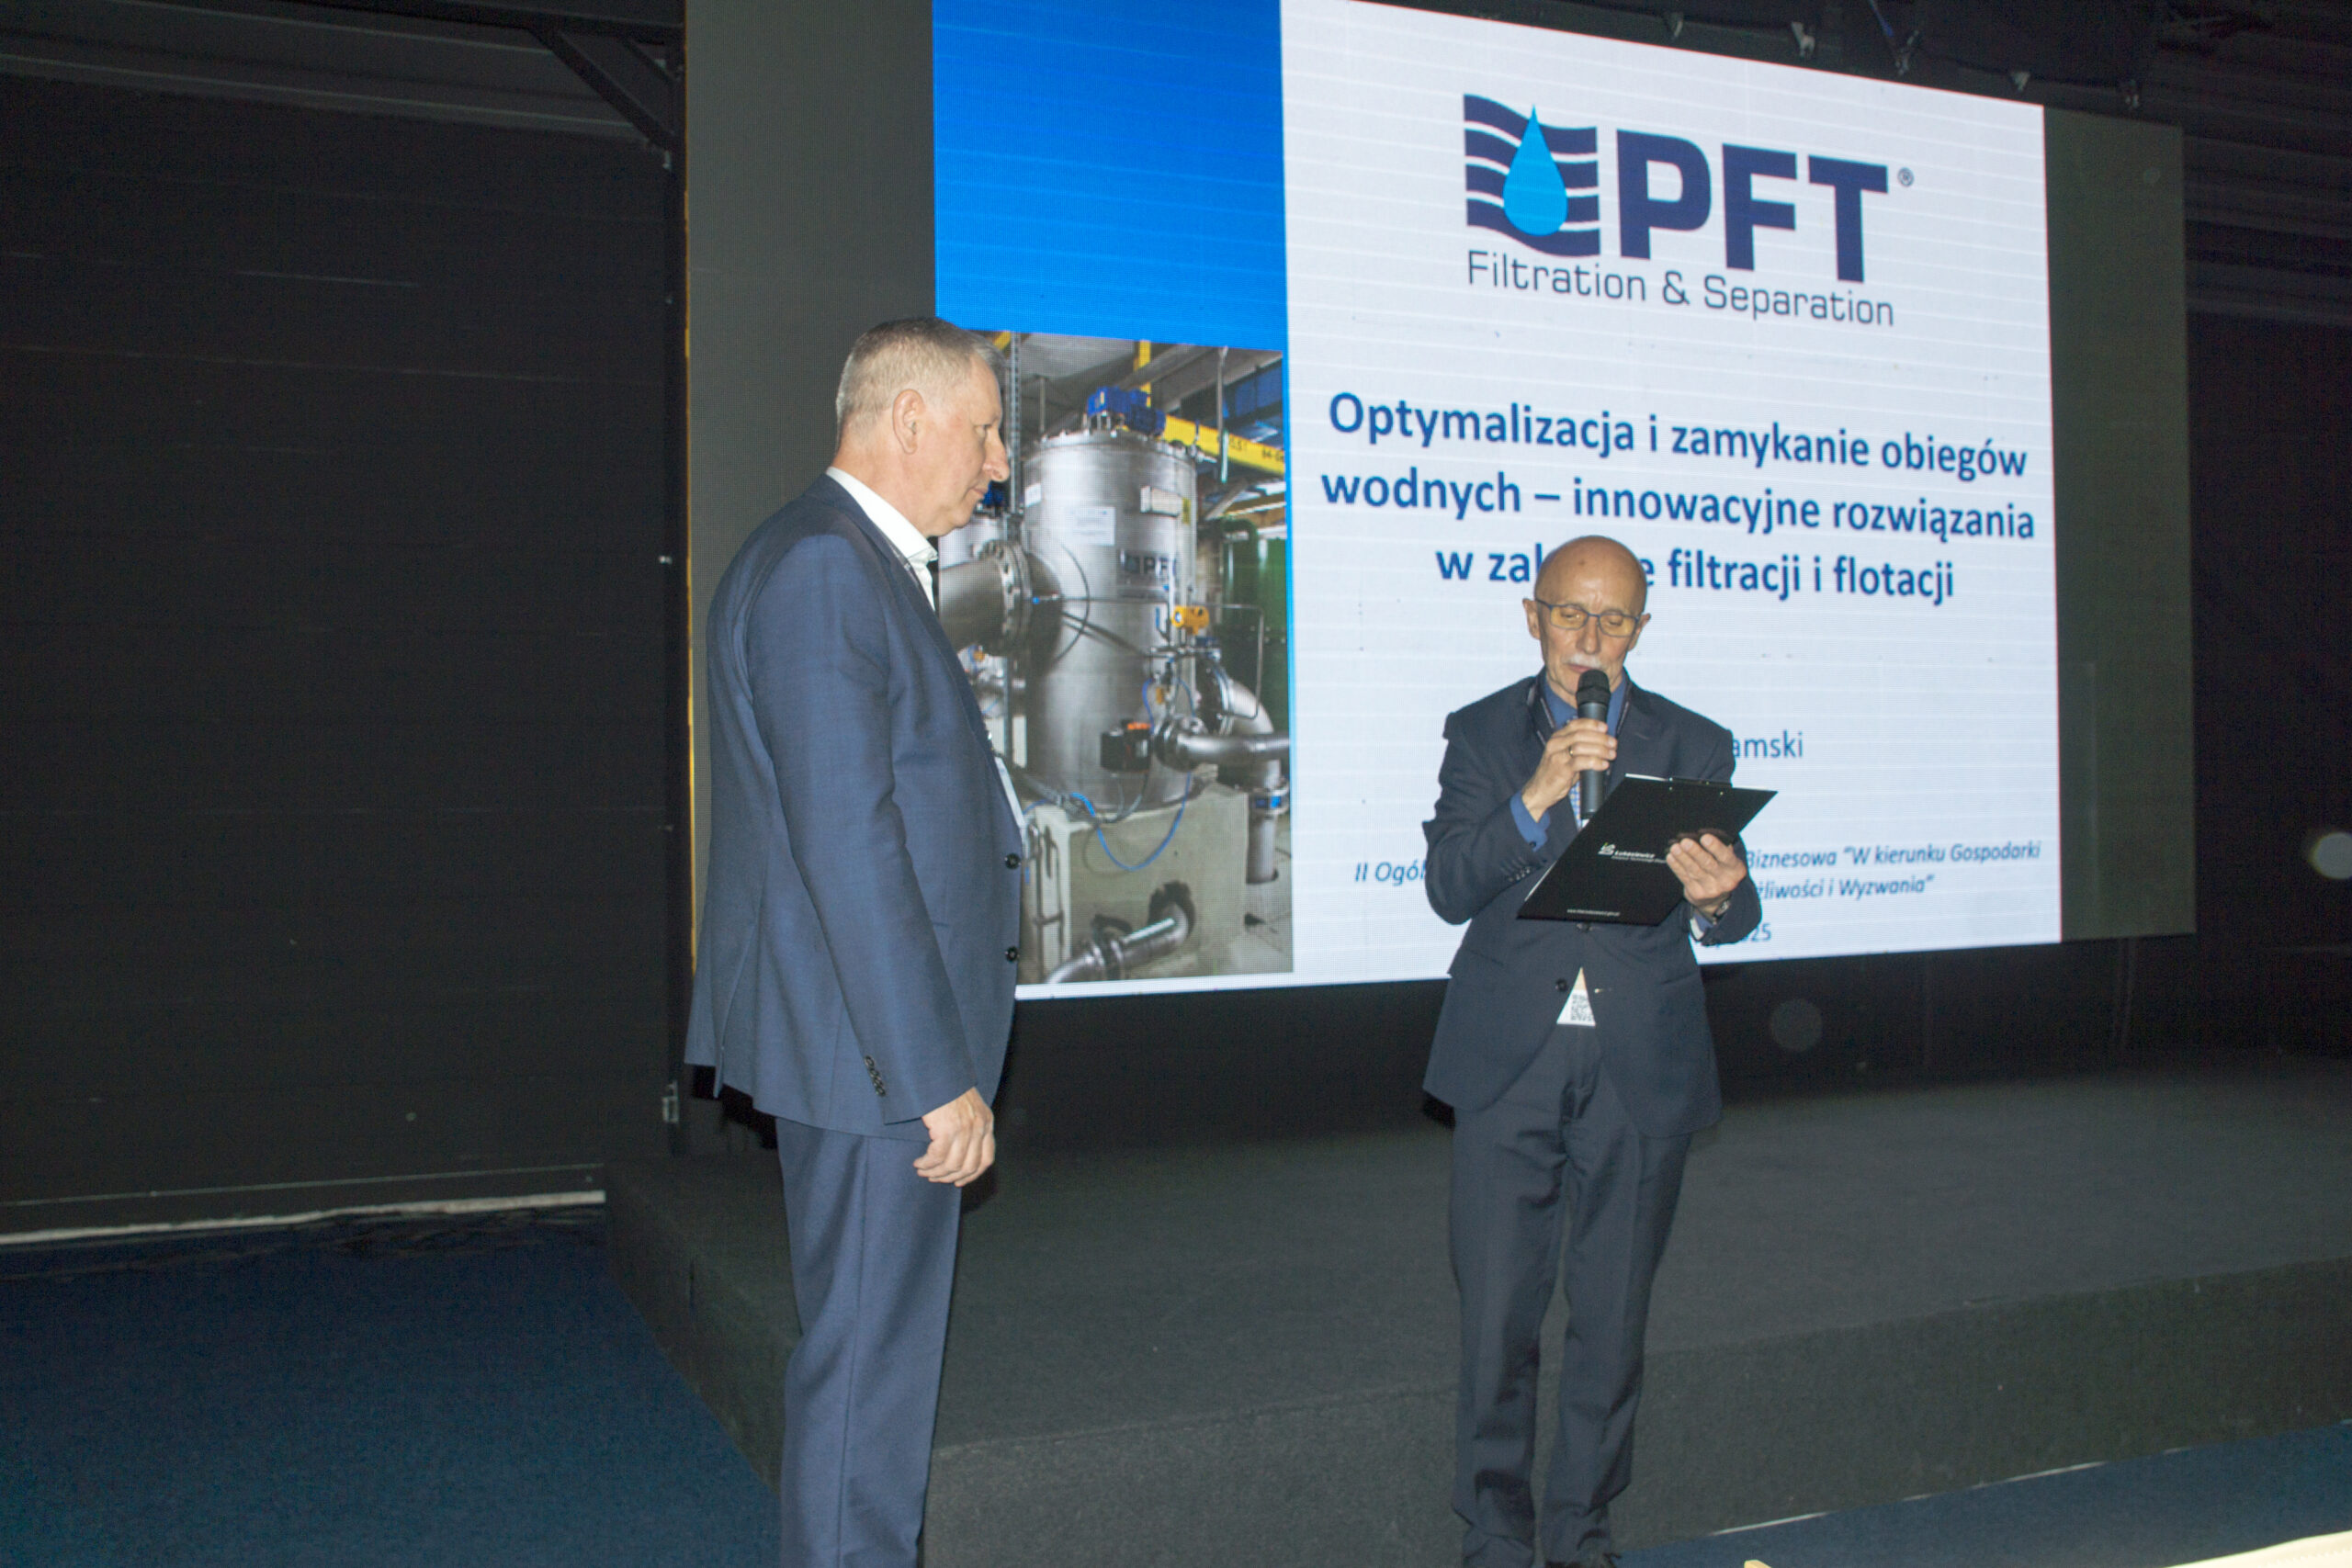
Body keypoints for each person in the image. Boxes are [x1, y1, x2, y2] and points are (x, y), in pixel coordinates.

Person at [684, 317, 1022, 1568]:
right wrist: (931, 1076)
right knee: (867, 1382)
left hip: (862, 1048)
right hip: (877, 1061)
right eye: (986, 430)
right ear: (909, 418)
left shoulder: (834, 558)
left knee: (870, 1367)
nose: (998, 462)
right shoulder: (830, 567)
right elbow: (848, 846)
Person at [1421, 534, 1759, 1568]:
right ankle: (1495, 1532)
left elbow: (1735, 912)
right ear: (1532, 616)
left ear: (1639, 631)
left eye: (1613, 620)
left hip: (1637, 1062)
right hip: (1508, 1061)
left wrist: (1721, 900)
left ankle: (1580, 1532)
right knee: (1498, 1321)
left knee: (1611, 1322)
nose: (1589, 640)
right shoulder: (1482, 732)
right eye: (1570, 614)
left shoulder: (1695, 741)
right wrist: (1534, 794)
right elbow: (1448, 887)